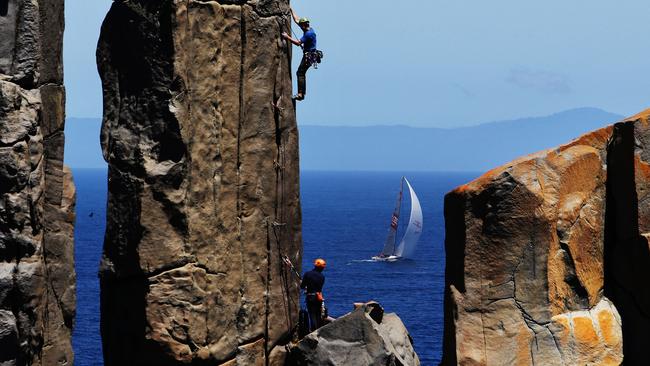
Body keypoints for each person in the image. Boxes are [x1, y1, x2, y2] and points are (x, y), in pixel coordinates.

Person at [282, 8, 318, 101]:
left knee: (300, 73)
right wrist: (291, 10)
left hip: (309, 56)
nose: (300, 27)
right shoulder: (308, 27)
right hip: (310, 54)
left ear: (304, 25)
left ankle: (301, 94)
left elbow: (298, 43)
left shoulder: (309, 34)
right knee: (301, 73)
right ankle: (301, 93)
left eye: (301, 26)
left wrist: (287, 37)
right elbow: (297, 19)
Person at [300, 258, 326, 331]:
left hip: (311, 297)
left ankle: (313, 331)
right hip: (318, 297)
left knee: (312, 314)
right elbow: (318, 288)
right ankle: (318, 331)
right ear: (322, 268)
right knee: (318, 314)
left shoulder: (308, 274)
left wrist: (305, 287)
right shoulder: (322, 277)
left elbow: (302, 286)